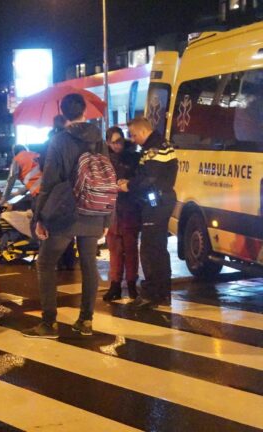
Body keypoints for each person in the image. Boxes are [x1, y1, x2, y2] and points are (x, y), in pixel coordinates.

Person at [22, 93, 109, 338]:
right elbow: (107, 178)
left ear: (62, 112)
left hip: (64, 211)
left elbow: (48, 182)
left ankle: (49, 323)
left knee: (46, 262)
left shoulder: (59, 141)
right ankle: (86, 321)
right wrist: (107, 218)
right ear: (85, 111)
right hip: (93, 209)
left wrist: (37, 217)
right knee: (89, 265)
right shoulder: (99, 140)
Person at [118, 117, 178, 310]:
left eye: (134, 135)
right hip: (160, 200)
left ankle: (152, 293)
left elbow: (149, 178)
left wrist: (128, 185)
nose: (133, 139)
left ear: (143, 132)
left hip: (156, 202)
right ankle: (162, 293)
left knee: (150, 248)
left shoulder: (155, 149)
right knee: (158, 248)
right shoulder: (157, 146)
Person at [102, 127, 141, 301]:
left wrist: (128, 184)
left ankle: (132, 284)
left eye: (120, 141)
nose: (118, 145)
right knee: (115, 249)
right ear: (108, 142)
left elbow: (139, 179)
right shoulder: (103, 160)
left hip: (129, 208)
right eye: (114, 141)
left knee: (131, 248)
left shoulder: (133, 157)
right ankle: (115, 285)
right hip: (112, 209)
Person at [0, 145, 42, 238]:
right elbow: (33, 181)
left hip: (38, 194)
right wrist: (16, 193)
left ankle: (37, 241)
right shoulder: (36, 155)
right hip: (49, 189)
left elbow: (11, 179)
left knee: (35, 221)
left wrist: (4, 199)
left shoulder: (17, 159)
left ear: (14, 152)